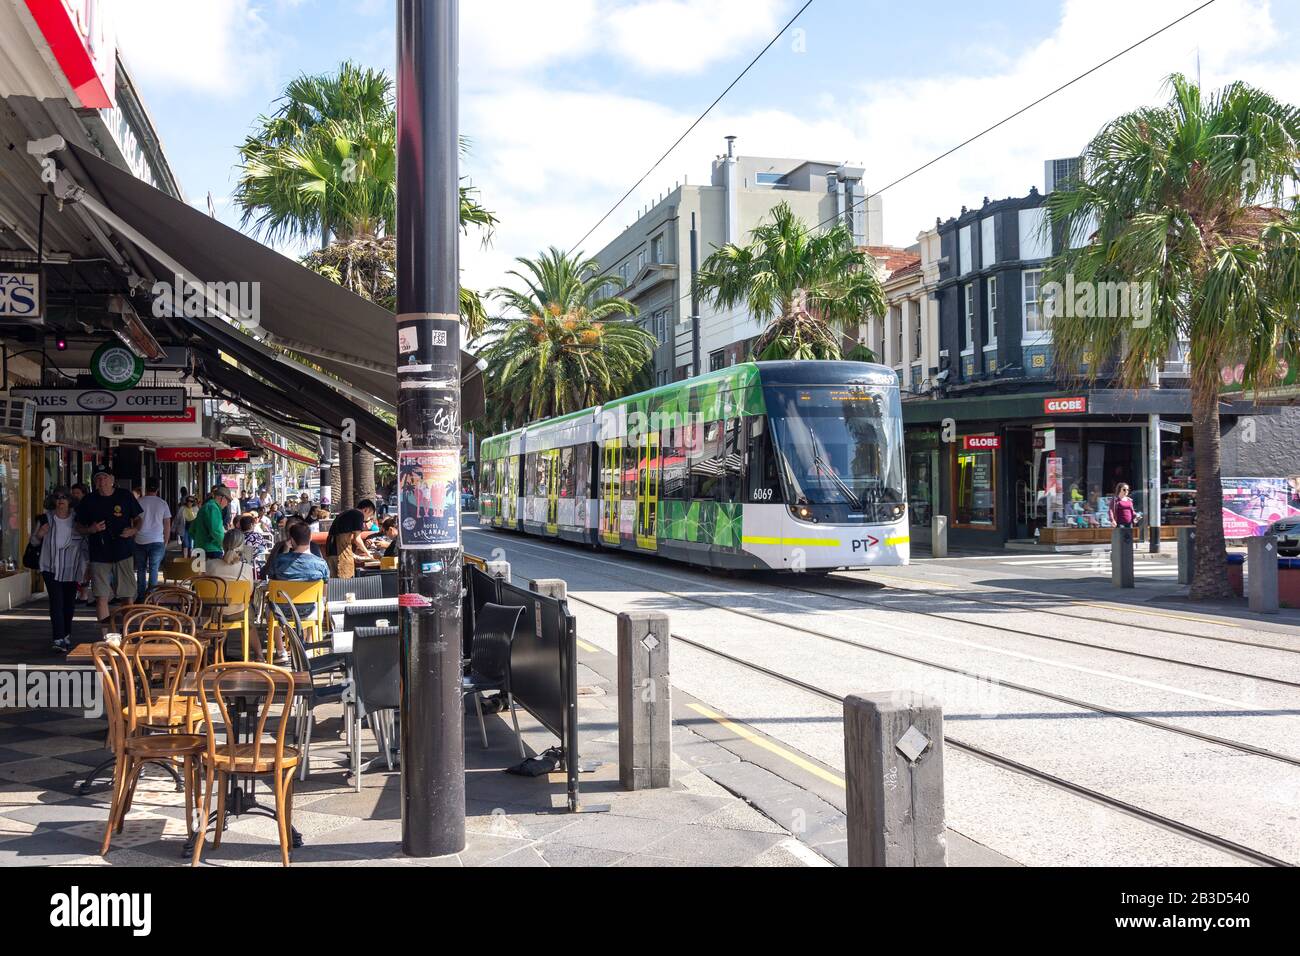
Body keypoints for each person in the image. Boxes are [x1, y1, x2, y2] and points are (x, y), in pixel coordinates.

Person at [74, 466, 143, 626]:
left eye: (105, 477)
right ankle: (106, 636)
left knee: (127, 596)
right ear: (94, 482)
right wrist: (91, 529)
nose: (102, 481)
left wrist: (133, 529)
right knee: (101, 596)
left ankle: (128, 632)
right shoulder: (88, 500)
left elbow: (138, 519)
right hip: (99, 554)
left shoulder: (125, 496)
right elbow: (78, 527)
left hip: (123, 553)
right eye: (98, 478)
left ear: (112, 480)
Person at [33, 488, 87, 654]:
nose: (61, 500)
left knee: (68, 604)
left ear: (70, 501)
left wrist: (87, 567)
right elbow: (34, 542)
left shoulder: (77, 520)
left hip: (71, 568)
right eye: (57, 498)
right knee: (56, 603)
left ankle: (66, 634)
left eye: (64, 497)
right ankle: (58, 638)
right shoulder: (45, 519)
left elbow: (85, 545)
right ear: (53, 501)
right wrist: (40, 534)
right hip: (50, 568)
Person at [133, 481, 172, 601]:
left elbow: (133, 520)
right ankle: (151, 597)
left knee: (141, 569)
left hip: (140, 539)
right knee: (154, 569)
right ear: (157, 489)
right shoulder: (162, 503)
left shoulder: (139, 502)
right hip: (157, 540)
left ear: (146, 488)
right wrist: (166, 540)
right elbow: (167, 524)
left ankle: (140, 597)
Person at [190, 486, 231, 563]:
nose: (227, 504)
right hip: (212, 551)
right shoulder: (213, 508)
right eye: (228, 501)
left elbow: (192, 530)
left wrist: (199, 540)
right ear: (222, 498)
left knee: (199, 574)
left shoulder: (205, 507)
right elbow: (216, 531)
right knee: (213, 574)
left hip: (199, 548)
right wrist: (226, 546)